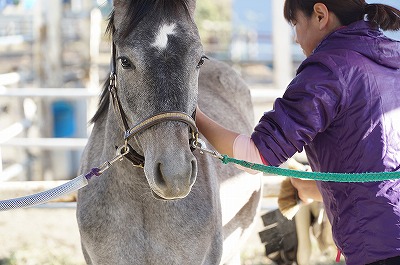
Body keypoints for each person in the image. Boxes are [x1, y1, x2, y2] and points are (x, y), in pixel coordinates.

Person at [196, 1, 400, 264]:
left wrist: (193, 114)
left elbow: (255, 155)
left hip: (378, 247)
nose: (295, 38)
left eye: (296, 24)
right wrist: (313, 188)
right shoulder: (390, 59)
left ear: (320, 15)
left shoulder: (328, 71)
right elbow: (380, 167)